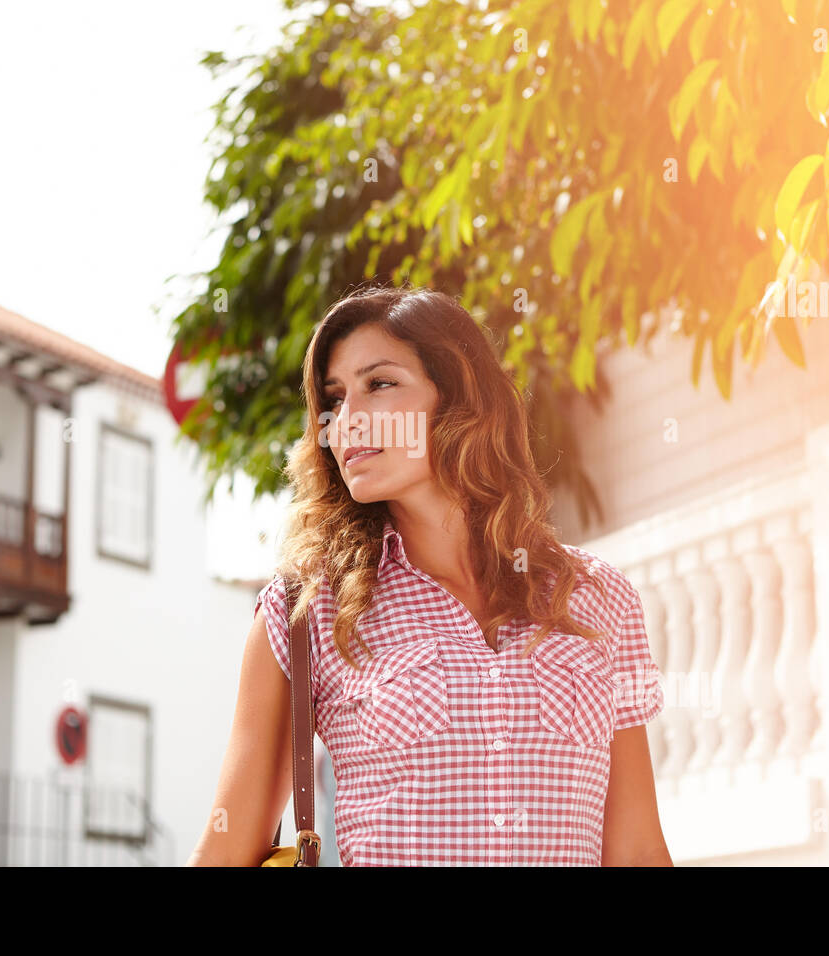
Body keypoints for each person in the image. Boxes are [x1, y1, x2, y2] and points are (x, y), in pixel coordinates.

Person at [185, 284, 670, 866]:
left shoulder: (597, 597)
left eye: (380, 384)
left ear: (460, 397)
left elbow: (639, 850)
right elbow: (227, 847)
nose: (347, 421)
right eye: (334, 401)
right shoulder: (304, 613)